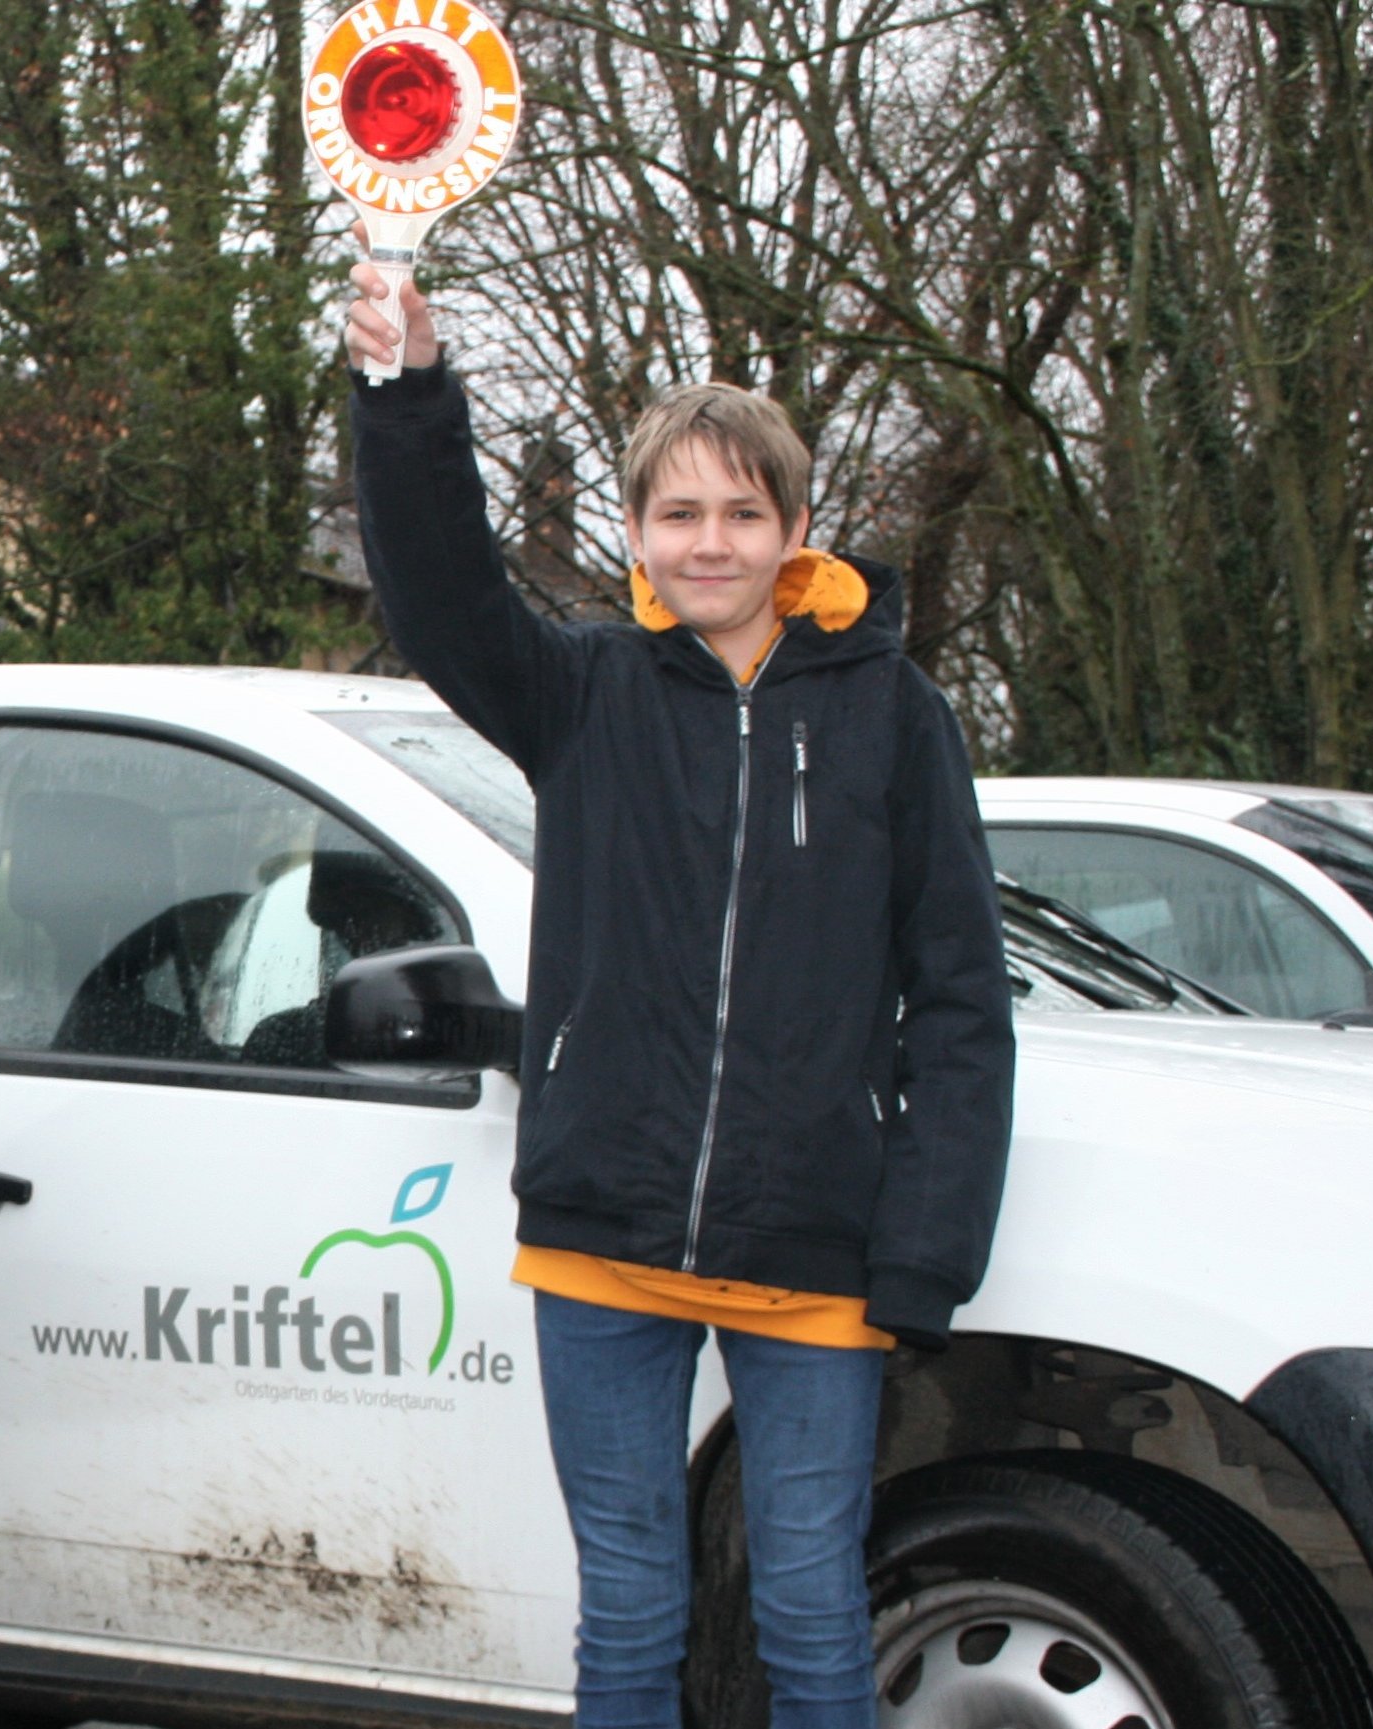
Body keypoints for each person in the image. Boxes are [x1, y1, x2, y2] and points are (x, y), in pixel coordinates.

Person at [343, 275, 1015, 1723]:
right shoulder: (581, 691)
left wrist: (925, 1254)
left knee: (817, 1619)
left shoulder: (897, 718)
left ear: (793, 527)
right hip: (607, 1241)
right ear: (638, 535)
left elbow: (963, 998)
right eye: (678, 514)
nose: (711, 542)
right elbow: (442, 583)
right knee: (631, 1617)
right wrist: (407, 396)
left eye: (742, 513)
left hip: (816, 1255)